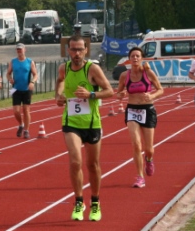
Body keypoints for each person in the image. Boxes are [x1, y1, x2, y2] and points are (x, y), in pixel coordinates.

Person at [55, 35, 114, 221]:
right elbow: (60, 81)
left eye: (80, 49)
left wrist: (91, 94)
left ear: (86, 50)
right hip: (71, 121)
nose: (77, 53)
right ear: (68, 51)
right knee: (75, 160)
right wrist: (58, 95)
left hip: (92, 123)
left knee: (93, 165)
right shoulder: (64, 68)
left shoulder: (92, 69)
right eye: (73, 49)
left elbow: (109, 91)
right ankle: (78, 201)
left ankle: (95, 202)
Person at [116, 47, 164, 189]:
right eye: (133, 56)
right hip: (132, 110)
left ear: (142, 58)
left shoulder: (148, 73)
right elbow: (118, 93)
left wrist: (152, 96)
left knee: (149, 149)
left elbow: (161, 89)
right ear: (129, 59)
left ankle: (149, 159)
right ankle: (140, 177)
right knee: (136, 144)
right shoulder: (124, 75)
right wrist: (121, 95)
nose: (135, 58)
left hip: (147, 110)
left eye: (138, 56)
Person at [6, 43, 38, 139]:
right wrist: (10, 79)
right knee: (16, 111)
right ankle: (21, 124)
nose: (19, 51)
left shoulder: (30, 62)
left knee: (26, 110)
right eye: (18, 50)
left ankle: (27, 130)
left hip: (26, 89)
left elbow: (35, 74)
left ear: (25, 50)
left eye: (21, 49)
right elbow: (8, 73)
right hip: (16, 89)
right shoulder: (13, 62)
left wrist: (32, 82)